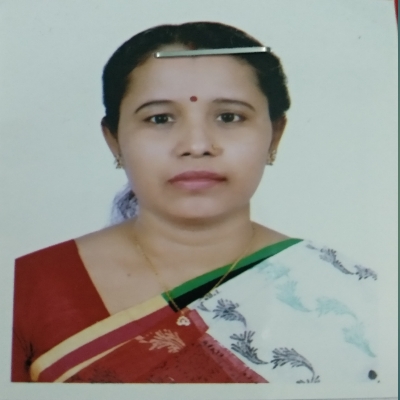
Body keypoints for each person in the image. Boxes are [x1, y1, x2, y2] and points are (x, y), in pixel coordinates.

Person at [11, 22, 378, 384]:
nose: (197, 145)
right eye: (159, 118)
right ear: (114, 140)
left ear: (275, 135)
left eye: (229, 117)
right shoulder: (25, 289)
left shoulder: (353, 294)